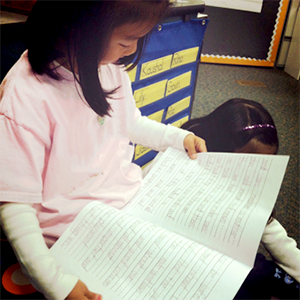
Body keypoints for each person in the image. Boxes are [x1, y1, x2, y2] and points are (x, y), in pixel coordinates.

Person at [0, 1, 207, 300]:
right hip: (74, 236)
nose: (132, 50)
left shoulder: (107, 68)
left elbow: (129, 122)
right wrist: (54, 281)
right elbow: (15, 205)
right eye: (126, 40)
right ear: (79, 29)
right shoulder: (26, 96)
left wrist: (177, 137)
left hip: (127, 211)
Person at [181, 98, 300, 300]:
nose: (256, 175)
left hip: (234, 259)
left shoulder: (250, 186)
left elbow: (272, 231)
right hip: (192, 264)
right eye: (249, 165)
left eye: (265, 166)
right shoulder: (186, 163)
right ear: (220, 151)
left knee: (282, 283)